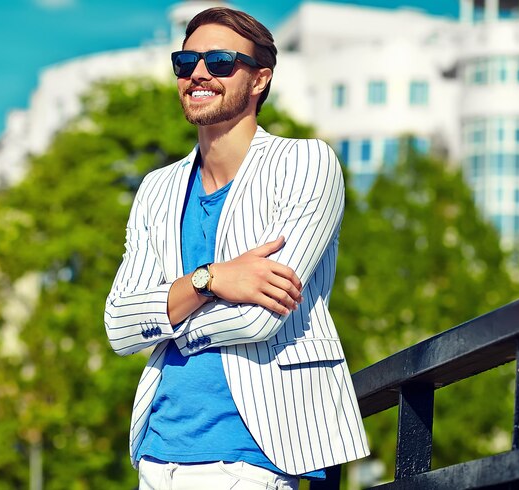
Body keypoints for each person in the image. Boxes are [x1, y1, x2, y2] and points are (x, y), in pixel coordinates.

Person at [104, 6, 369, 489]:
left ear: (259, 79)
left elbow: (260, 317)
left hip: (251, 457)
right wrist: (212, 280)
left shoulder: (305, 163)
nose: (199, 74)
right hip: (157, 455)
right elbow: (120, 325)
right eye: (186, 62)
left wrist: (167, 315)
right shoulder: (156, 189)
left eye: (222, 62)